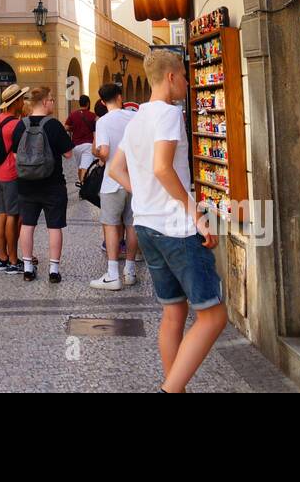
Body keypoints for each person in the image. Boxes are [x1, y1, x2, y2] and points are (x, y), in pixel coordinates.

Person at [107, 49, 226, 393]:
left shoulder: (138, 118)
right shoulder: (170, 114)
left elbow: (116, 169)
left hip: (146, 226)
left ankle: (175, 386)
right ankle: (170, 390)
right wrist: (196, 214)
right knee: (213, 316)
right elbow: (162, 168)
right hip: (176, 228)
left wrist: (143, 194)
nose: (188, 83)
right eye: (185, 76)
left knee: (173, 314)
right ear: (171, 77)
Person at [11, 87, 75, 283]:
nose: (53, 103)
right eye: (53, 100)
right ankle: (54, 270)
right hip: (53, 183)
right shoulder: (54, 125)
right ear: (46, 101)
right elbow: (68, 154)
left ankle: (28, 268)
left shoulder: (20, 125)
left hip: (26, 184)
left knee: (27, 225)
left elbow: (15, 156)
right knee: (54, 226)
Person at [89, 82, 139, 291]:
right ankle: (129, 270)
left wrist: (95, 151)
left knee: (111, 224)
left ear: (102, 101)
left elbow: (105, 152)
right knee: (131, 224)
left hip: (112, 181)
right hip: (133, 179)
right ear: (120, 96)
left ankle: (112, 274)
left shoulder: (103, 122)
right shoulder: (134, 117)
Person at [0, 84, 29, 274]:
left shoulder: (0, 119)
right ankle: (13, 260)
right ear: (17, 102)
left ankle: (1, 257)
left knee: (3, 213)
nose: (24, 101)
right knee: (13, 215)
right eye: (22, 98)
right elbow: (21, 151)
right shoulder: (15, 124)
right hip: (12, 174)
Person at [65, 94, 98, 184]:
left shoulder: (73, 114)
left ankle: (81, 183)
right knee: (85, 167)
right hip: (88, 145)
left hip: (76, 146)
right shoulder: (93, 116)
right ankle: (83, 187)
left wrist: (74, 128)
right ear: (88, 103)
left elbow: (66, 127)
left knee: (80, 166)